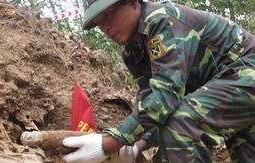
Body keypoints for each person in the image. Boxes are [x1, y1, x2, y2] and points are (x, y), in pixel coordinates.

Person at [62, 0, 255, 162]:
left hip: (246, 73)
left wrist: (113, 141)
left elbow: (166, 95)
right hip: (230, 89)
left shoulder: (162, 20)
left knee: (182, 125)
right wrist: (138, 144)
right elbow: (152, 100)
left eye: (108, 15)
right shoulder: (132, 52)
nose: (105, 28)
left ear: (134, 2)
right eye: (98, 23)